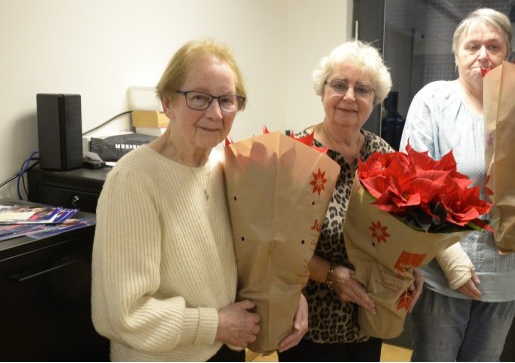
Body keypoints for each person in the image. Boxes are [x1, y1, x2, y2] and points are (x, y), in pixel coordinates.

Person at [91, 39, 307, 361]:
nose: (215, 113)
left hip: (223, 348)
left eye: (227, 100)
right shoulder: (133, 180)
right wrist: (216, 325)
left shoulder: (225, 167)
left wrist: (285, 293)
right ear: (167, 103)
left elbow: (246, 261)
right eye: (199, 98)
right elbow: (126, 313)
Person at [399, 8, 515, 361]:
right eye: (472, 45)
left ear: (508, 55)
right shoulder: (434, 101)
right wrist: (451, 261)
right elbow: (413, 186)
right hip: (445, 271)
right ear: (456, 54)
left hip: (508, 273)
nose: (483, 55)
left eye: (494, 46)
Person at [278, 40, 423, 362]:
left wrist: (409, 268)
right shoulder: (294, 153)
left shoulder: (384, 154)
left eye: (362, 89)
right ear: (322, 91)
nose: (349, 97)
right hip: (307, 321)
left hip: (367, 317)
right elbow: (275, 244)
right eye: (339, 85)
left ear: (374, 99)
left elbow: (402, 227)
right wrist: (330, 275)